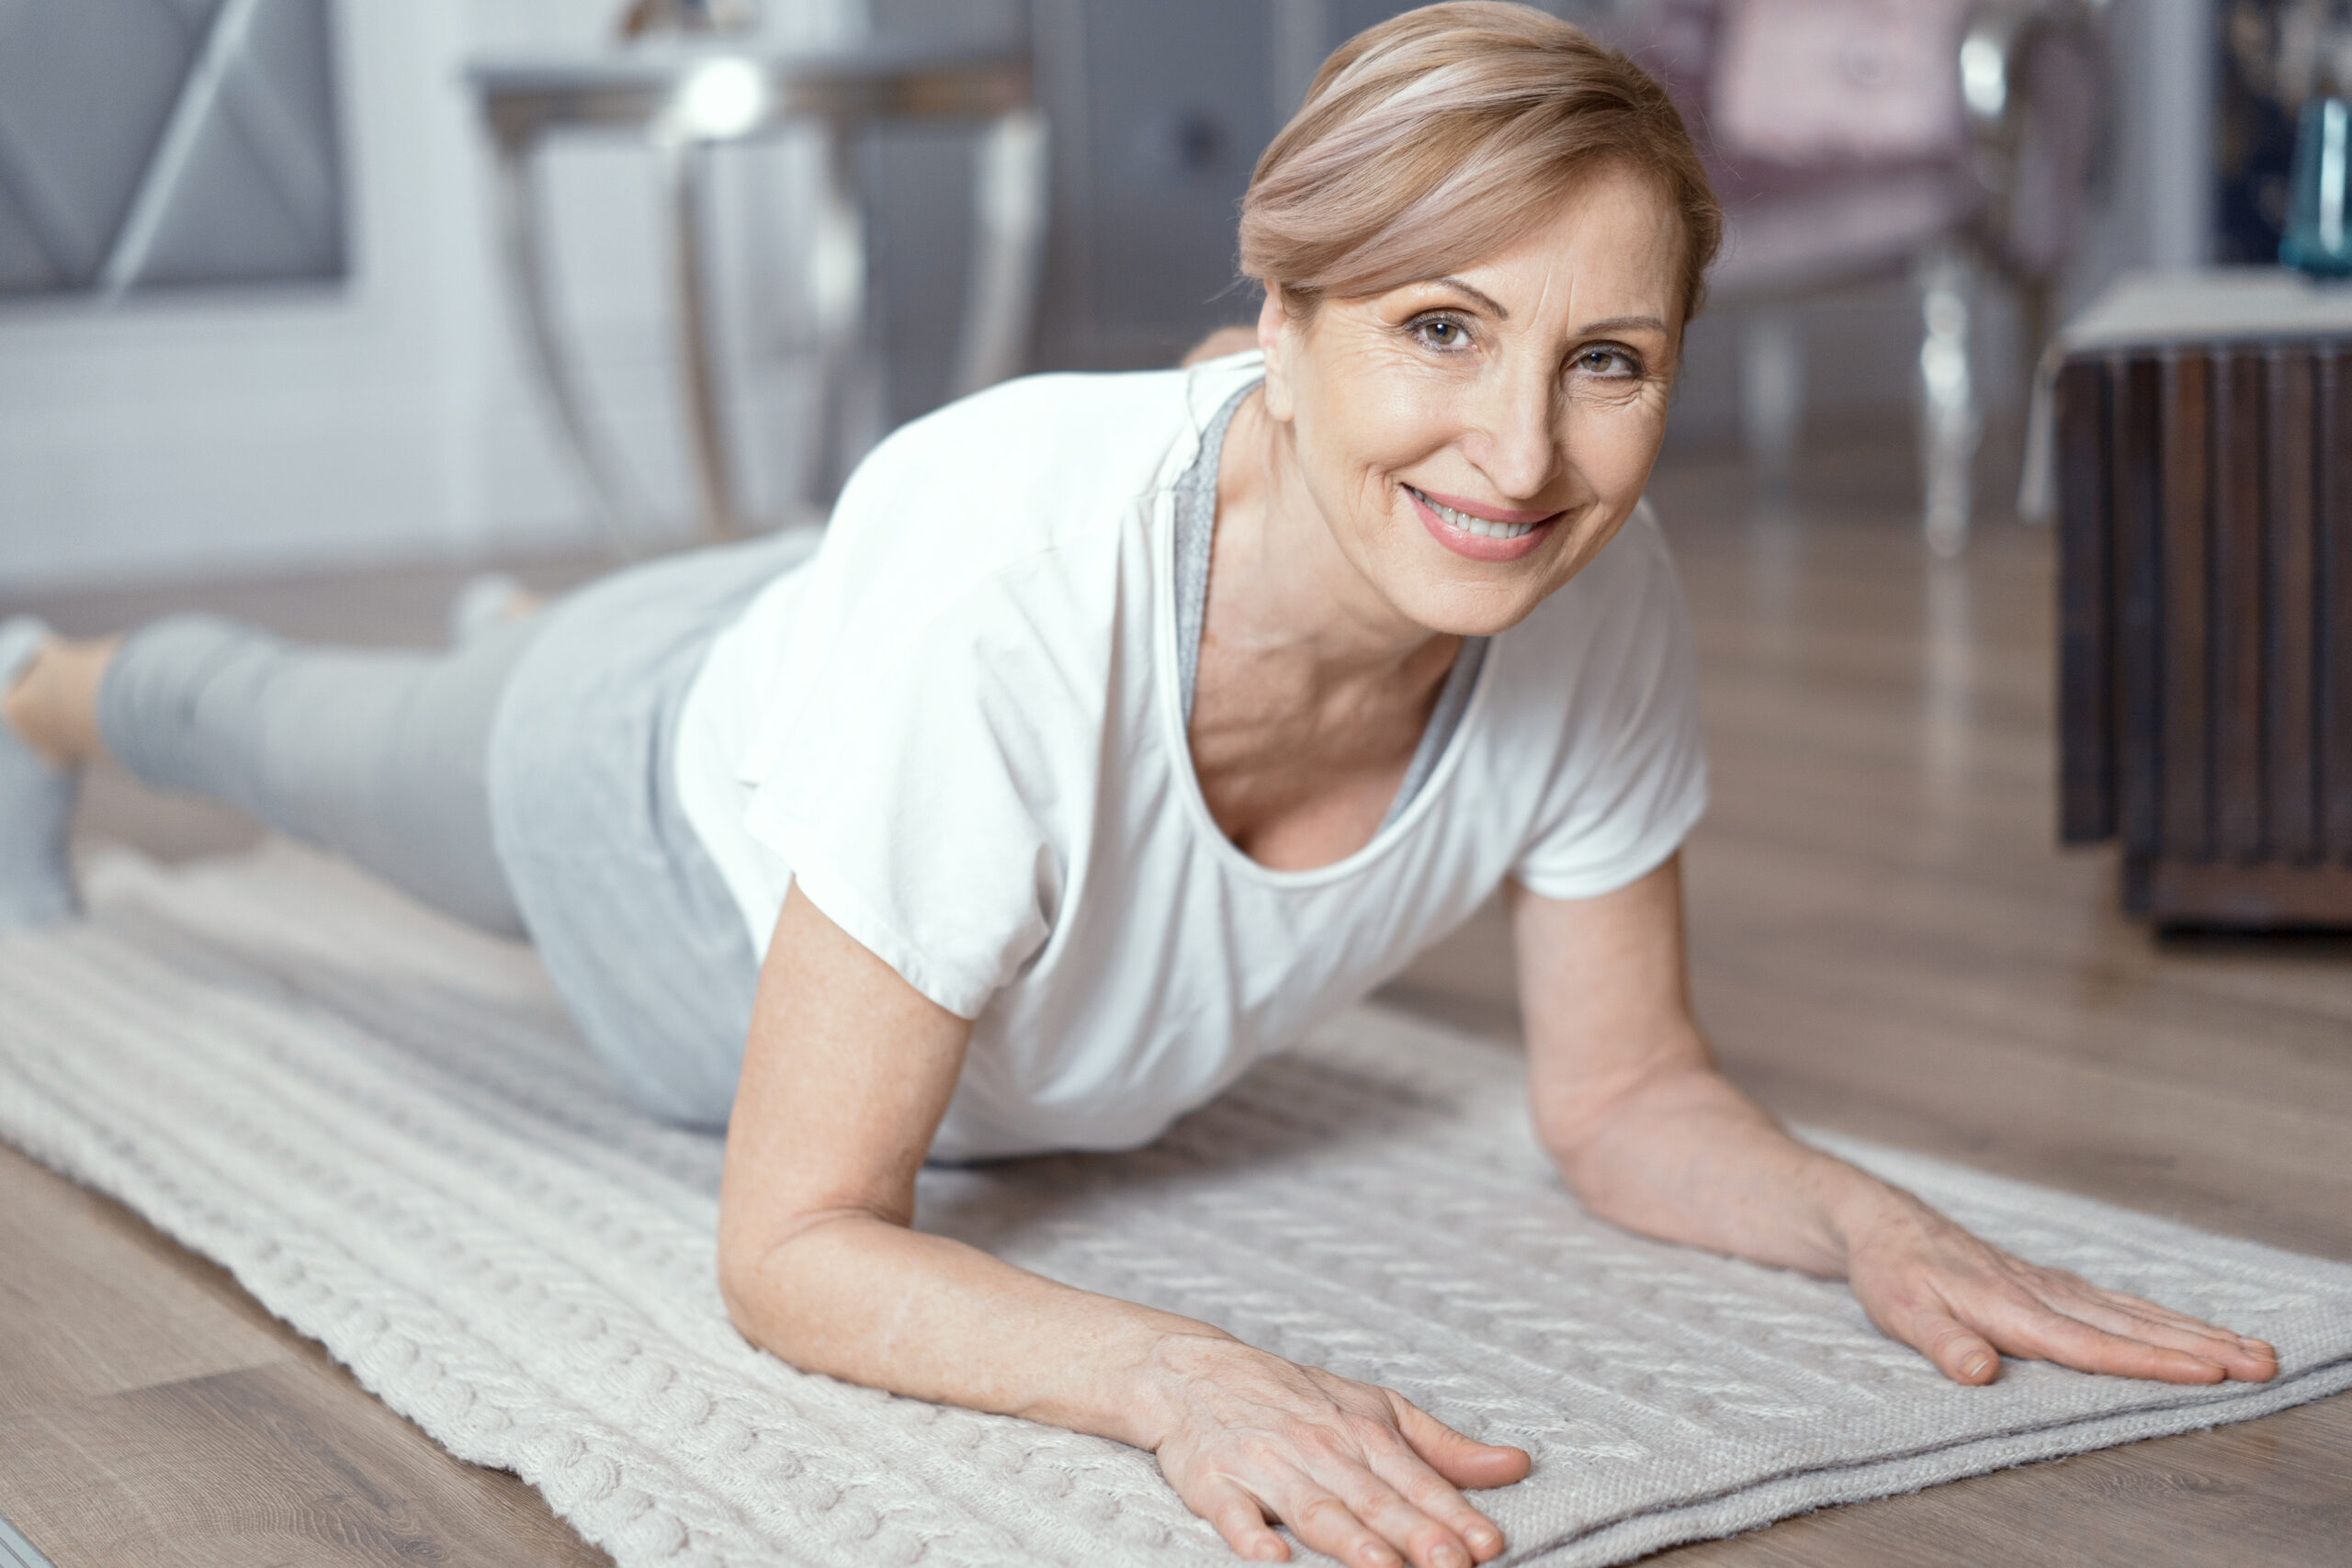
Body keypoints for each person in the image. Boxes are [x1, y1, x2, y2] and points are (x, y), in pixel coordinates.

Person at [0, 7, 2278, 1566]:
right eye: (1437, 329)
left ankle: (724, 607)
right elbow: (793, 1242)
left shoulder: (1600, 590)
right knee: (275, 728)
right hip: (655, 823)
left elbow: (1624, 1094)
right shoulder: (1015, 576)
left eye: (1606, 362)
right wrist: (1180, 1379)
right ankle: (39, 681)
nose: (1520, 454)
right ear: (1275, 323)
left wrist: (1863, 1215)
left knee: (906, 592)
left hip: (942, 608)